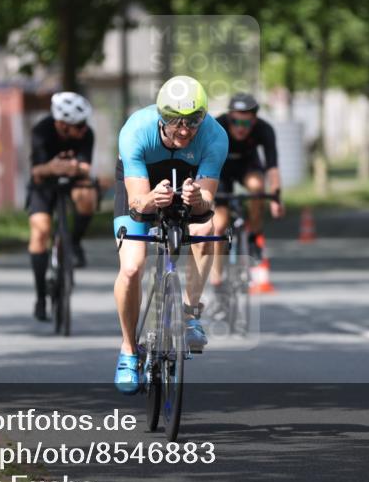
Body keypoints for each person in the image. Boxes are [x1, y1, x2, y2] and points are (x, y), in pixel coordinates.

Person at [112, 75, 228, 394]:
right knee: (132, 267)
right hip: (143, 184)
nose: (186, 130)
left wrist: (196, 199)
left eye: (193, 122)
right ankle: (128, 350)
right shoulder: (136, 130)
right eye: (177, 123)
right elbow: (137, 204)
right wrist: (151, 200)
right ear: (161, 118)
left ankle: (190, 312)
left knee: (207, 226)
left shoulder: (215, 136)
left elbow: (206, 205)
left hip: (188, 182)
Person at [27, 92, 97, 322]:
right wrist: (52, 168)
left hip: (72, 181)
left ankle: (74, 243)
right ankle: (40, 297)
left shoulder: (87, 135)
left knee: (88, 198)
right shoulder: (41, 131)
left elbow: (86, 168)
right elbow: (36, 172)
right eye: (78, 125)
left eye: (84, 123)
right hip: (44, 184)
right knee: (41, 232)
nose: (83, 129)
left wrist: (73, 168)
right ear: (61, 124)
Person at [209, 93, 283, 290]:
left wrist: (276, 197)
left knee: (257, 187)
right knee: (219, 223)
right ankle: (217, 274)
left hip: (247, 166)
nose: (240, 128)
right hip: (220, 170)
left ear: (255, 120)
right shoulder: (217, 127)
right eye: (236, 121)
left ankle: (254, 236)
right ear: (228, 116)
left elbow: (272, 167)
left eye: (247, 123)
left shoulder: (264, 130)